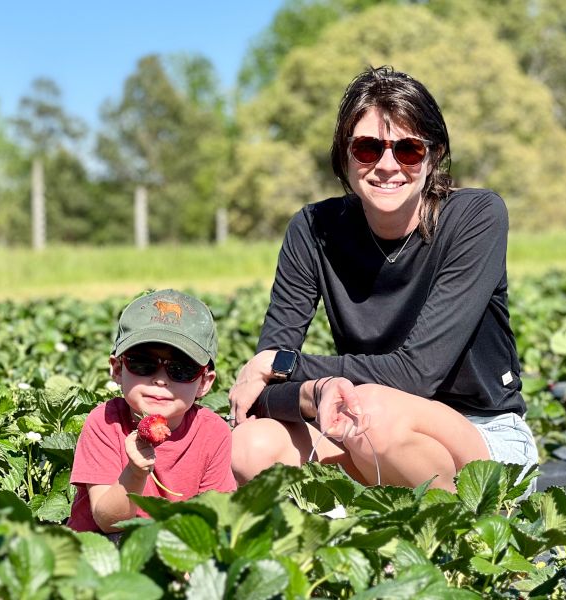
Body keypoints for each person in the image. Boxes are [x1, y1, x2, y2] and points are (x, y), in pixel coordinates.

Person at [228, 65, 538, 493]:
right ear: (345, 155)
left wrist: (286, 365)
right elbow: (262, 395)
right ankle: (353, 543)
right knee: (251, 445)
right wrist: (314, 390)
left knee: (375, 414)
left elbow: (417, 373)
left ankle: (449, 546)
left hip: (482, 441)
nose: (387, 166)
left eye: (408, 149)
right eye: (368, 148)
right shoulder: (313, 229)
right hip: (363, 428)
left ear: (435, 155)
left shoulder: (475, 217)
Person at [68, 289, 236, 533]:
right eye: (143, 363)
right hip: (106, 547)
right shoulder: (104, 422)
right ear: (117, 369)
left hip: (179, 545)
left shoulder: (214, 432)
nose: (160, 380)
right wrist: (135, 472)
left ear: (204, 382)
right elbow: (109, 522)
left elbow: (215, 518)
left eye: (181, 369)